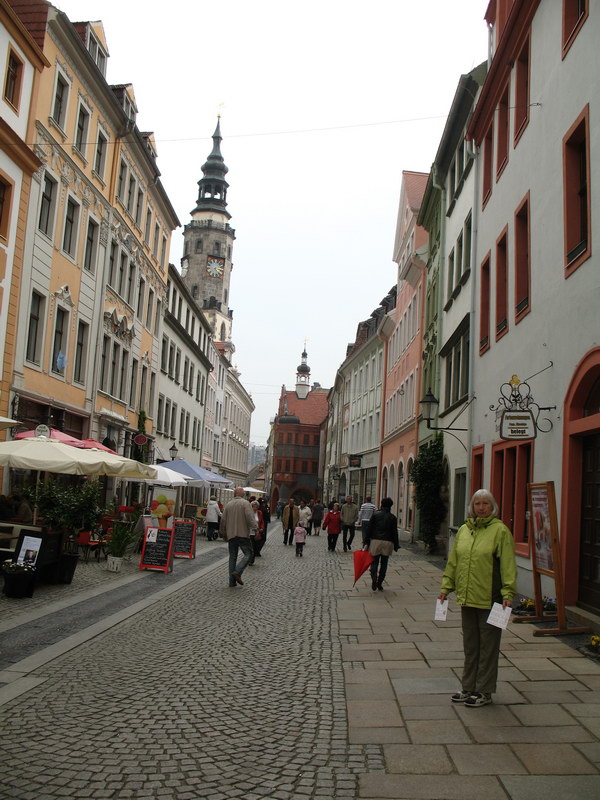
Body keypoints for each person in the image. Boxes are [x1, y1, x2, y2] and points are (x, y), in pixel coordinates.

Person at [438, 489, 517, 708]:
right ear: (471, 506)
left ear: (493, 507)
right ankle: (468, 686)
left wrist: (508, 593)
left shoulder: (500, 531)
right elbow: (454, 562)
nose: (481, 508)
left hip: (491, 598)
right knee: (471, 645)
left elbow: (508, 565)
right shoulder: (464, 530)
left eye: (485, 503)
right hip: (467, 597)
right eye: (477, 503)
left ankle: (484, 690)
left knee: (488, 647)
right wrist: (446, 587)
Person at [220, 487, 258, 586]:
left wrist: (223, 533)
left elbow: (223, 520)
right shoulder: (245, 503)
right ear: (242, 494)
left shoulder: (228, 504)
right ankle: (237, 572)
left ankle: (231, 581)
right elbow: (250, 517)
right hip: (242, 534)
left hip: (231, 534)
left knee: (232, 557)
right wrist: (255, 528)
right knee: (249, 553)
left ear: (235, 494)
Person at [364, 497, 399, 591]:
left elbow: (369, 529)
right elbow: (394, 532)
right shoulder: (392, 517)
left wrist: (366, 541)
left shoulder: (375, 515)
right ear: (390, 506)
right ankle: (380, 582)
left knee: (374, 561)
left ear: (381, 504)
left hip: (376, 541)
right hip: (388, 542)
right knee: (384, 563)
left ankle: (374, 575)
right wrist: (396, 544)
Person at [248, 500, 264, 564]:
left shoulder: (259, 513)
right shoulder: (249, 513)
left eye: (256, 507)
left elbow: (261, 521)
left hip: (257, 532)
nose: (255, 508)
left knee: (255, 547)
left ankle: (252, 557)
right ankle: (250, 559)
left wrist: (262, 528)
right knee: (251, 546)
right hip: (250, 532)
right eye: (253, 507)